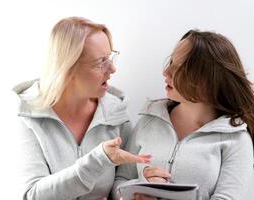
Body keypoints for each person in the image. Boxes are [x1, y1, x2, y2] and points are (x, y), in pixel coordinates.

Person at [113, 30, 254, 200]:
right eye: (171, 62)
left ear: (208, 78)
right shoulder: (149, 120)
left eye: (179, 67)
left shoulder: (236, 139)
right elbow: (119, 182)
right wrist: (138, 189)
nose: (166, 72)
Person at [13, 17, 151, 200]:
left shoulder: (116, 114)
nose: (113, 68)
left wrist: (139, 188)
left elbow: (120, 182)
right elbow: (32, 195)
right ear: (68, 68)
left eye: (110, 57)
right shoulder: (28, 114)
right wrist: (99, 160)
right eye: (101, 62)